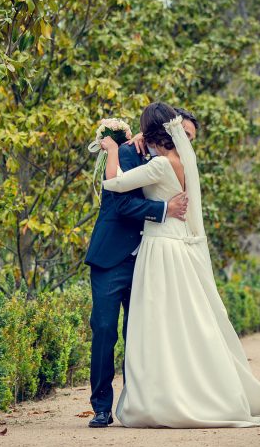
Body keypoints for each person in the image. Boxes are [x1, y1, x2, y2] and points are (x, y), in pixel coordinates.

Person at [99, 102, 260, 428]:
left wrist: (111, 148)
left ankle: (164, 396)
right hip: (177, 245)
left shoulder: (161, 166)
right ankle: (187, 389)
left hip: (160, 248)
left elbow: (114, 183)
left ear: (151, 132)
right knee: (180, 323)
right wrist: (140, 138)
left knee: (156, 322)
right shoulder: (180, 162)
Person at [83, 110, 197, 428]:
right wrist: (163, 209)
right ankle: (101, 407)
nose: (185, 141)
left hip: (149, 259)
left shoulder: (170, 160)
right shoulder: (127, 152)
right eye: (183, 135)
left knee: (141, 334)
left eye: (188, 137)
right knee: (104, 331)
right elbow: (118, 202)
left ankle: (136, 402)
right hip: (112, 258)